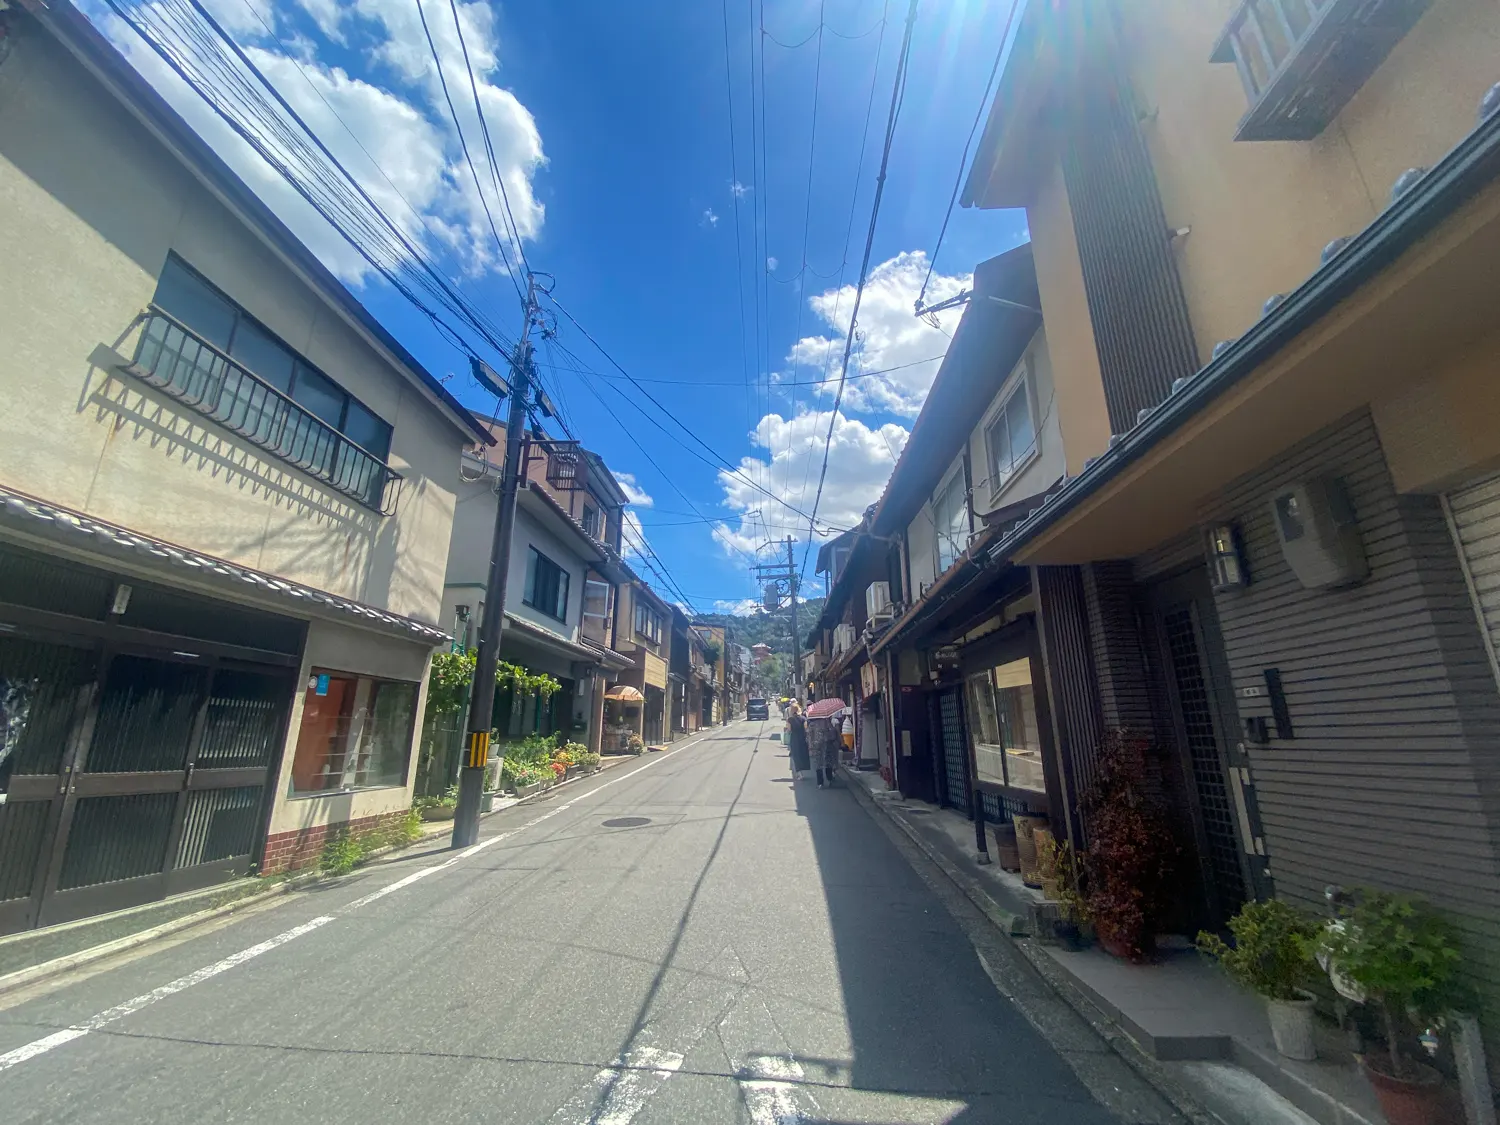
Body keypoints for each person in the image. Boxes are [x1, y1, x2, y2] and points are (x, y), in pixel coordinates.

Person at [807, 710, 838, 789]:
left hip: (816, 747)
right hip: (828, 746)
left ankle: (820, 783)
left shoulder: (812, 724)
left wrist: (810, 747)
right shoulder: (828, 723)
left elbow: (809, 737)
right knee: (828, 763)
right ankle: (830, 779)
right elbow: (833, 735)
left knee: (818, 765)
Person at [786, 700, 810, 780]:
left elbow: (789, 730)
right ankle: (802, 772)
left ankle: (799, 774)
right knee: (802, 755)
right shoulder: (803, 718)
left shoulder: (790, 720)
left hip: (794, 739)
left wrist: (787, 730)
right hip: (802, 738)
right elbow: (806, 729)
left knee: (796, 756)